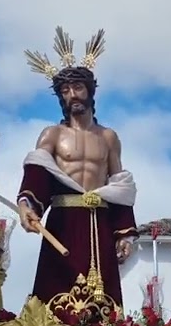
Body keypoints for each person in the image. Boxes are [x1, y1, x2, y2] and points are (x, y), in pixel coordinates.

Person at [17, 27, 139, 308]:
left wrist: (125, 233)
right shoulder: (53, 135)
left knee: (101, 300)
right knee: (56, 293)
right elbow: (37, 172)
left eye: (78, 88)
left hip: (99, 221)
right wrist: (27, 205)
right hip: (63, 221)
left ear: (90, 91)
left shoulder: (108, 137)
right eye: (66, 90)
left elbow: (119, 186)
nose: (72, 94)